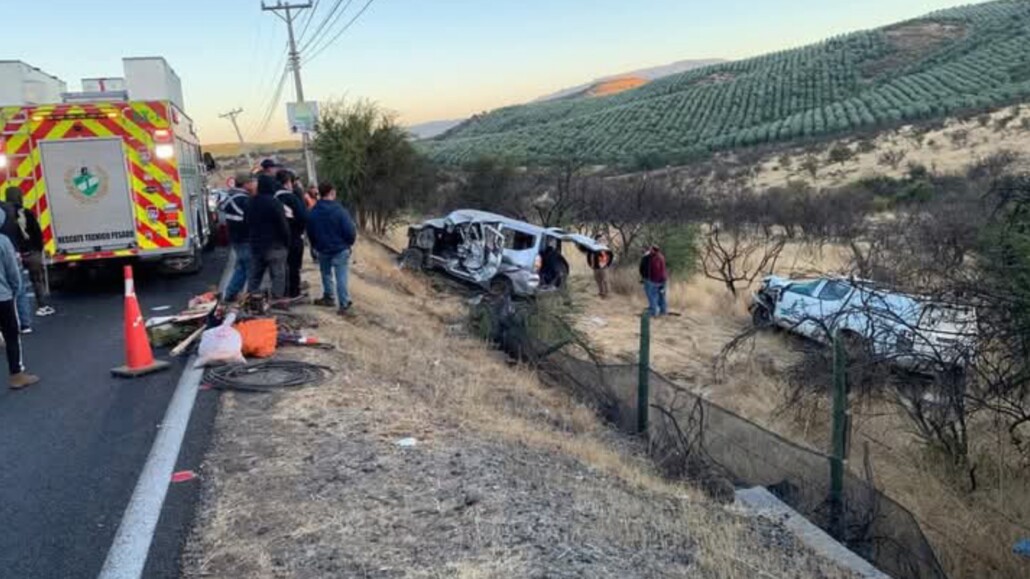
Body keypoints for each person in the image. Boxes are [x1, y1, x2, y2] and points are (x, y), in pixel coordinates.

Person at [0, 209, 38, 389]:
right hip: (3, 297)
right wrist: (16, 289)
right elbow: (12, 271)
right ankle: (17, 374)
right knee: (12, 335)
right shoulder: (3, 242)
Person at [3, 187, 51, 327]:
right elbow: (37, 233)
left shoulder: (6, 214)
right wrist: (39, 249)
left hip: (14, 253)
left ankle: (16, 314)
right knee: (37, 279)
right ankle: (41, 306)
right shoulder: (27, 213)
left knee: (15, 285)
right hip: (32, 252)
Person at [306, 183, 357, 314]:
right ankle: (344, 304)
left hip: (323, 249)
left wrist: (315, 246)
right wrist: (348, 244)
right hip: (340, 249)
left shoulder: (314, 211)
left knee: (326, 273)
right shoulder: (340, 210)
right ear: (332, 192)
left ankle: (328, 297)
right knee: (341, 276)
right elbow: (350, 231)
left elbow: (310, 231)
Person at [246, 174, 291, 298]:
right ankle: (276, 300)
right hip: (274, 246)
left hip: (256, 246)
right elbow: (283, 225)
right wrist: (287, 242)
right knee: (278, 276)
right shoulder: (274, 203)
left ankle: (250, 299)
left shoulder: (250, 202)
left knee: (255, 276)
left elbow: (246, 222)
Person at [221, 174, 256, 301]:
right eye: (252, 182)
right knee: (252, 269)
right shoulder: (243, 200)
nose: (254, 185)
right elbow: (251, 219)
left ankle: (230, 294)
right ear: (245, 184)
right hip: (245, 238)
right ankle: (252, 297)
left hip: (236, 238)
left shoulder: (230, 197)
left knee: (241, 268)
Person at [274, 170, 308, 298]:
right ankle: (294, 292)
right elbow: (302, 217)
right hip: (294, 236)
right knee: (294, 266)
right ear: (288, 183)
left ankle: (283, 292)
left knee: (282, 268)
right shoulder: (292, 197)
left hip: (278, 239)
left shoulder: (273, 197)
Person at [639, 245, 668, 317]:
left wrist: (644, 278)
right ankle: (663, 311)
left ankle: (654, 312)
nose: (650, 251)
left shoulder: (649, 258)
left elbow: (643, 269)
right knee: (662, 296)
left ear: (653, 250)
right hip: (663, 280)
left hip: (653, 280)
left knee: (652, 296)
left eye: (651, 250)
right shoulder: (661, 257)